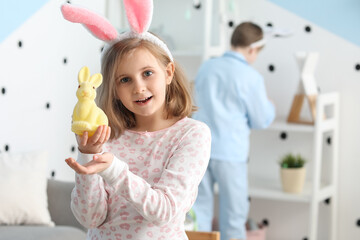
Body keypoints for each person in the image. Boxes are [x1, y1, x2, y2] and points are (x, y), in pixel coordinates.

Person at [62, 3, 211, 240]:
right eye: (124, 80)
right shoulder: (106, 134)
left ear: (169, 72)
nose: (139, 87)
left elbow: (164, 210)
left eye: (148, 73)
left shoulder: (191, 135)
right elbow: (90, 218)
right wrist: (87, 155)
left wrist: (112, 169)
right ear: (113, 89)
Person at [191, 22, 276, 240]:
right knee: (234, 217)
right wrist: (270, 105)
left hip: (200, 148)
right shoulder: (251, 77)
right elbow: (261, 119)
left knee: (199, 211)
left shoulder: (207, 67)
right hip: (231, 153)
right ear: (252, 49)